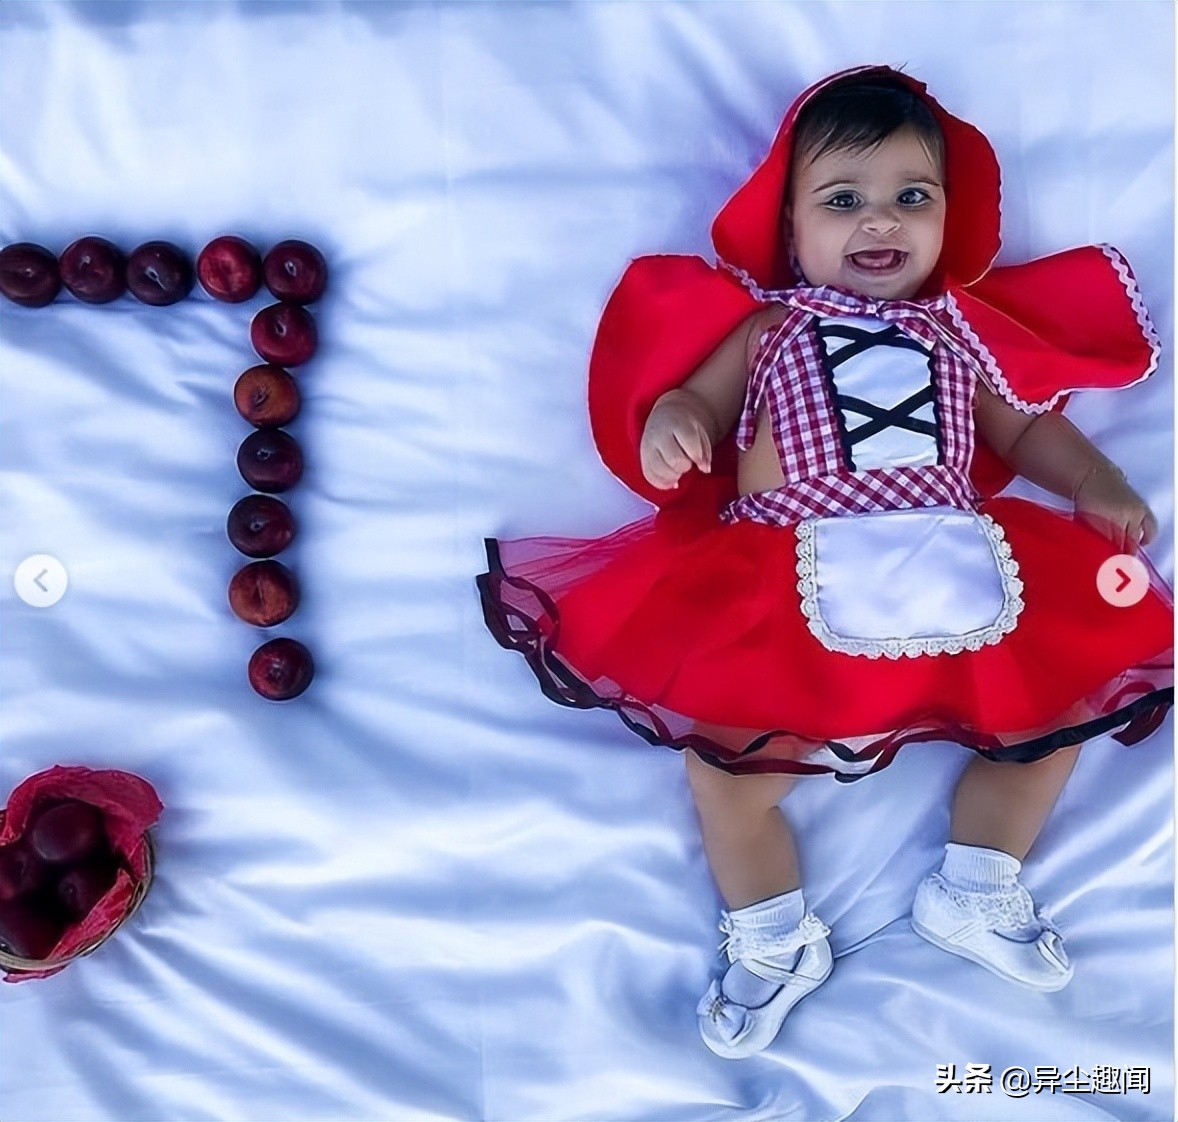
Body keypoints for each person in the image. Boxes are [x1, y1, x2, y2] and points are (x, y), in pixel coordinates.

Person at [476, 66, 1173, 1060]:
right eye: (841, 200)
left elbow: (1020, 433)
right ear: (789, 229)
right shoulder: (766, 330)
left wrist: (1092, 479)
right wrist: (675, 419)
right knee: (722, 772)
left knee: (1054, 719)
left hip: (957, 561)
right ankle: (769, 936)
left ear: (945, 217)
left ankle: (974, 886)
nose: (876, 220)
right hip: (785, 580)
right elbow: (702, 409)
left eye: (909, 197)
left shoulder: (955, 333)